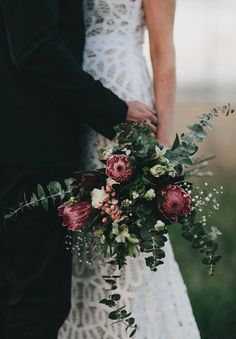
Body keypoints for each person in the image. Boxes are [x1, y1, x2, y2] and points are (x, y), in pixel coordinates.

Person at [0, 1, 156, 338]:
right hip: (30, 147)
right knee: (38, 304)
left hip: (18, 141)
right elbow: (35, 49)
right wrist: (113, 111)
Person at [59, 1, 201, 338]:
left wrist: (163, 159)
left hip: (124, 95)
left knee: (124, 233)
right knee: (74, 223)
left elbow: (163, 50)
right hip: (71, 95)